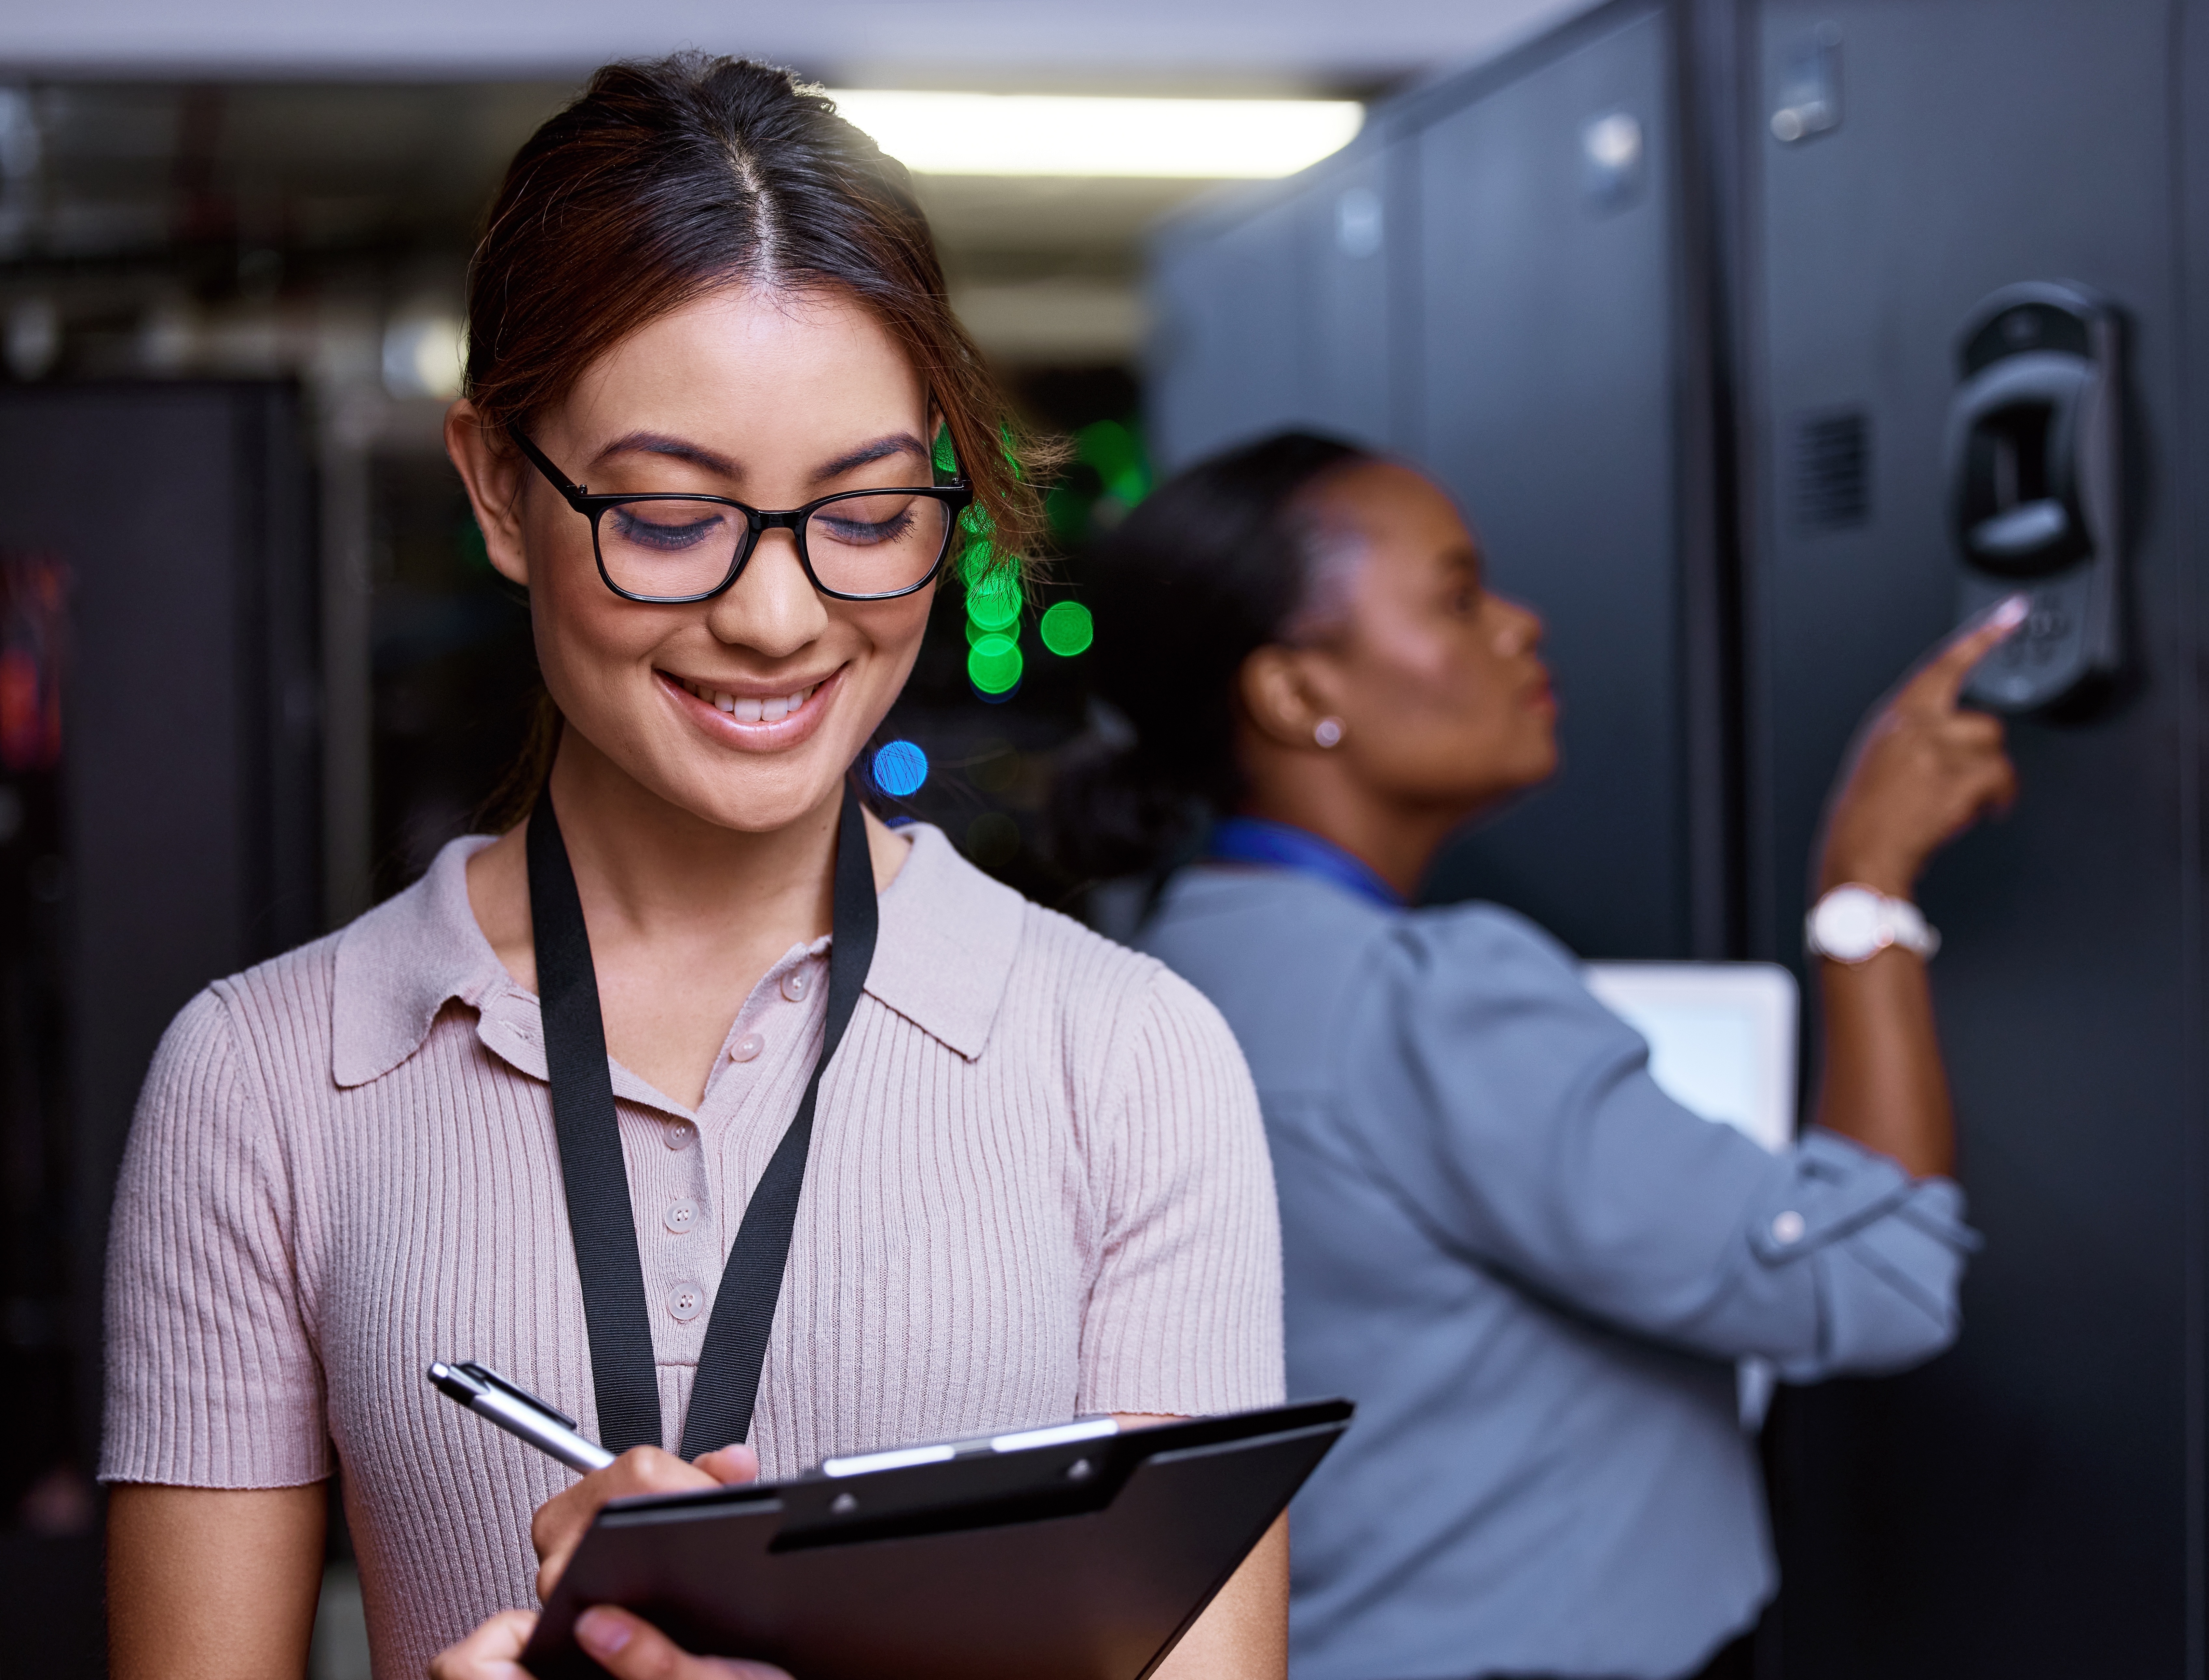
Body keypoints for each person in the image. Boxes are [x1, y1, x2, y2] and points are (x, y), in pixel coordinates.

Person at [100, 57, 1287, 1680]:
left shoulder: (1129, 1059)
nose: (781, 619)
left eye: (868, 513)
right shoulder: (266, 1078)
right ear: (498, 488)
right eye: (669, 516)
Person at [1051, 431, 2024, 1680]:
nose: (1519, 626)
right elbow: (1881, 1280)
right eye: (1458, 599)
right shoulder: (1426, 999)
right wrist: (1866, 888)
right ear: (1297, 696)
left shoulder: (1165, 971)